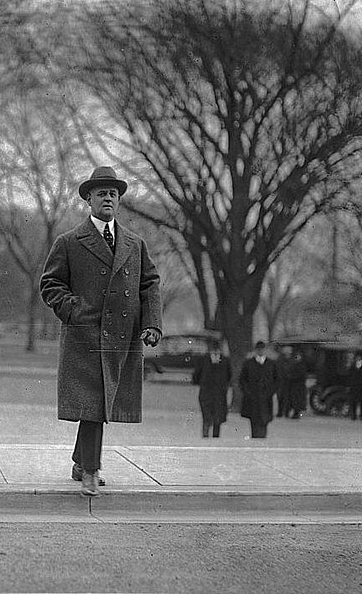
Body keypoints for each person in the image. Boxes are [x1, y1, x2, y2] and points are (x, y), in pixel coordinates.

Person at [40, 165, 162, 497]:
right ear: (89, 199)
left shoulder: (135, 244)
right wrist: (73, 309)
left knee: (98, 406)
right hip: (84, 336)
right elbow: (50, 284)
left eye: (113, 193)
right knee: (95, 404)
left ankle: (82, 461)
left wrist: (151, 323)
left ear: (119, 201)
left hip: (122, 337)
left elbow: (149, 284)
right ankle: (91, 471)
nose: (108, 198)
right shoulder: (69, 242)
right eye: (101, 193)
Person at [239, 341, 279, 438]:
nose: (260, 351)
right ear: (256, 350)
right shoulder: (248, 364)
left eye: (262, 349)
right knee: (254, 419)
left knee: (264, 419)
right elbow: (242, 380)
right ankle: (255, 437)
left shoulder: (271, 364)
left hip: (266, 398)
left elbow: (277, 380)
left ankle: (262, 437)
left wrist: (270, 392)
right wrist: (248, 392)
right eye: (259, 349)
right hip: (252, 398)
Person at [192, 339, 231, 438]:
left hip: (219, 393)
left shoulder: (224, 361)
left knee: (217, 417)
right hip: (207, 393)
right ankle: (206, 436)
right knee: (207, 416)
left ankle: (215, 437)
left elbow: (229, 375)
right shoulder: (204, 360)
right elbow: (196, 376)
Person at [276, 345, 308, 419]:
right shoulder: (282, 359)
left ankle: (293, 412)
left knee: (293, 398)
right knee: (285, 397)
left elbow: (300, 371)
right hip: (287, 382)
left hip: (294, 383)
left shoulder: (295, 360)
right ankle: (285, 411)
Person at [347, 352, 362, 421]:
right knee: (353, 401)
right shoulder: (352, 368)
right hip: (353, 387)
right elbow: (349, 377)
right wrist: (348, 386)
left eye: (360, 359)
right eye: (357, 359)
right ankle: (353, 416)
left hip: (361, 387)